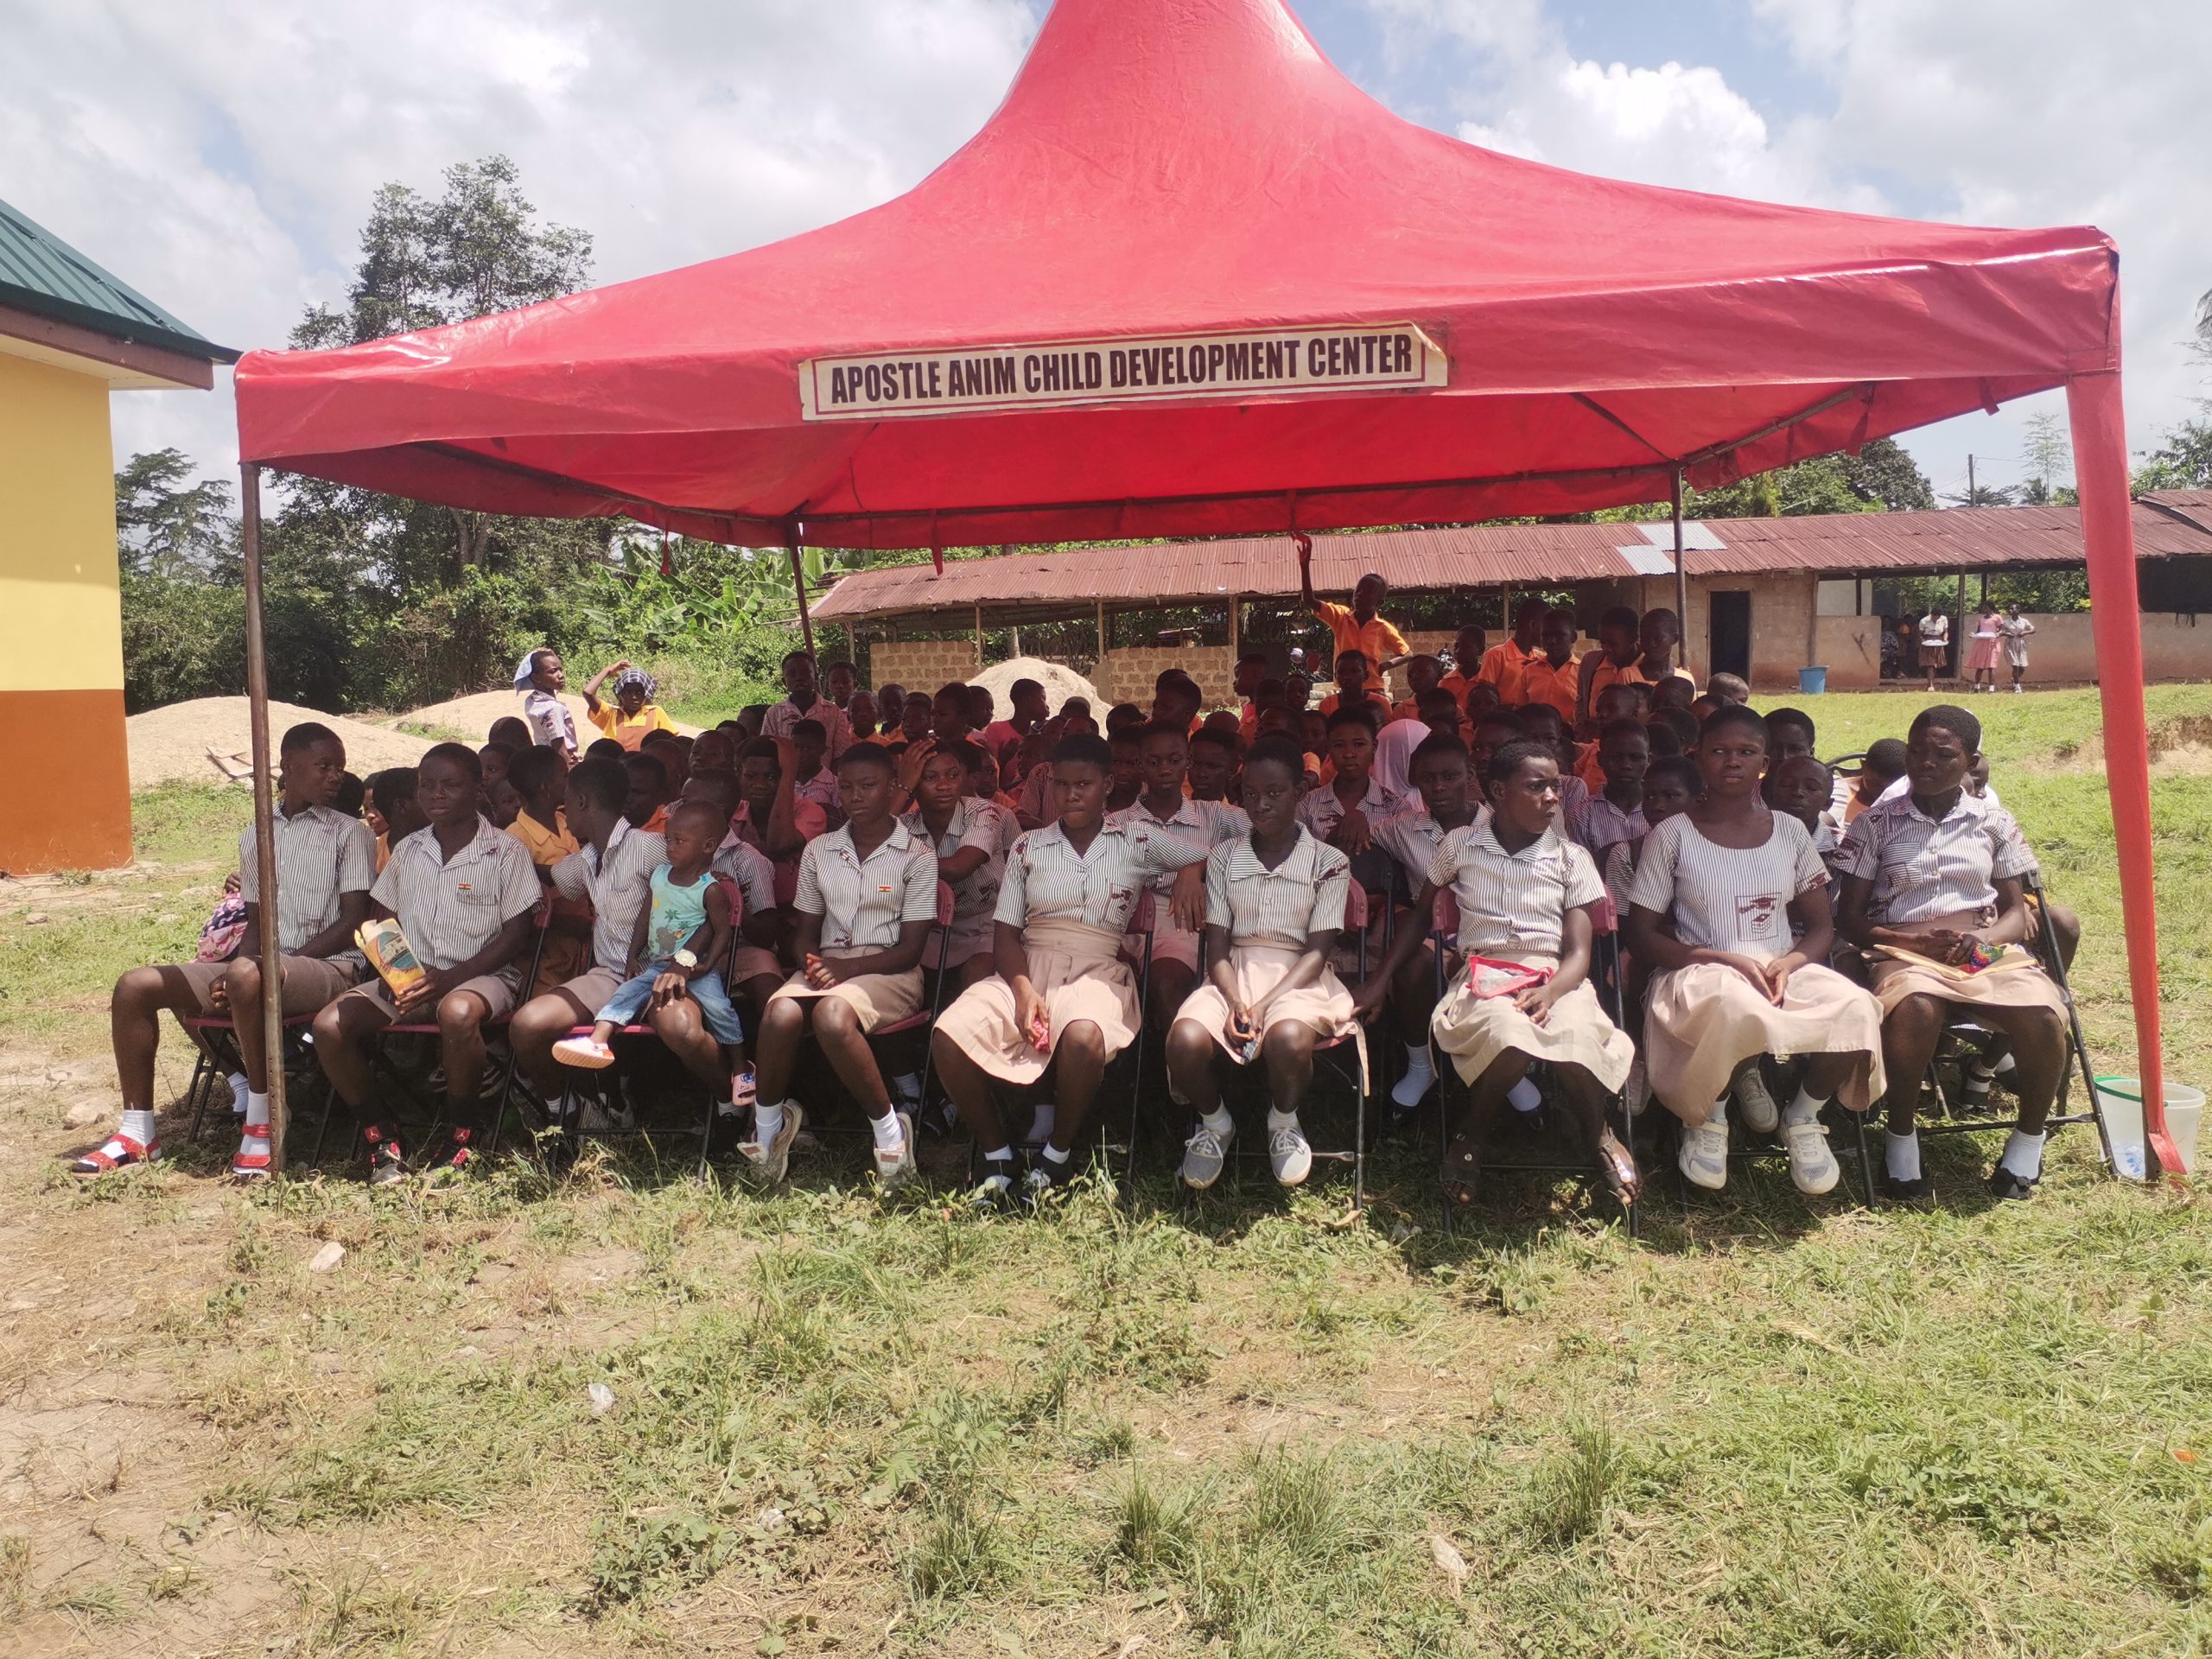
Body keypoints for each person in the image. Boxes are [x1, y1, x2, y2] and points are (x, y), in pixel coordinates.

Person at [76, 724, 376, 1179]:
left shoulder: (351, 833)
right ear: (287, 766)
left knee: (246, 975)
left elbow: (353, 922)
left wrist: (263, 965)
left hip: (331, 968)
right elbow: (256, 923)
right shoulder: (256, 834)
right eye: (324, 766)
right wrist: (240, 965)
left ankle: (264, 1113)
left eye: (340, 767)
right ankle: (138, 1132)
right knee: (136, 985)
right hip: (261, 967)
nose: (335, 776)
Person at [1360, 737, 1642, 1209]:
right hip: (1483, 973)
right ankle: (1473, 1132)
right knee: (1508, 1032)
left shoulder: (1571, 858)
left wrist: (1552, 992)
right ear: (1497, 791)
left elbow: (1578, 953)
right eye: (1536, 787)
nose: (1551, 797)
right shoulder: (1461, 845)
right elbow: (1421, 915)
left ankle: (1598, 1133)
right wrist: (1380, 980)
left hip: (1555, 977)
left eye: (1555, 787)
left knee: (1575, 1032)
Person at [931, 734, 1210, 1206]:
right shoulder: (1029, 846)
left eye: (1084, 784)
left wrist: (1189, 871)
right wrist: (1023, 991)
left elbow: (1201, 851)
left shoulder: (1135, 838)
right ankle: (998, 1154)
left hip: (1097, 968)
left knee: (1082, 1035)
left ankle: (1056, 1155)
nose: (1072, 794)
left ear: (1108, 785)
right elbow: (1006, 934)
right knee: (949, 1033)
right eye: (1061, 785)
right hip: (1027, 964)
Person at [1622, 707, 1885, 1195]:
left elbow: (1821, 928)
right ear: (1698, 757)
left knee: (1856, 1005)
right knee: (1735, 1005)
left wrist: (1790, 962)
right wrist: (1722, 959)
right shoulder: (1672, 834)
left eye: (1745, 752)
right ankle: (1711, 1114)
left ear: (1764, 762)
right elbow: (1642, 935)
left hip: (1780, 964)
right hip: (1701, 969)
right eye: (1719, 751)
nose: (1732, 761)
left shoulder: (1789, 831)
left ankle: (1803, 1116)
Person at [1838, 705, 2072, 1202]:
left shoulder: (1992, 821)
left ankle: (2027, 1141)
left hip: (1979, 948)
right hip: (1903, 948)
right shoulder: (1876, 824)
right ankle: (1901, 1137)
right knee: (1917, 1006)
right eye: (1916, 752)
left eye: (1943, 755)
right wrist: (1909, 942)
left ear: (1970, 761)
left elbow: (2016, 911)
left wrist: (1985, 942)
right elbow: (1849, 920)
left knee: (2042, 1012)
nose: (1925, 763)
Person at [310, 744, 543, 1183]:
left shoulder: (505, 851)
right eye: (427, 785)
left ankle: (462, 1133)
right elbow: (383, 920)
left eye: (450, 784)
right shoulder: (409, 850)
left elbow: (516, 935)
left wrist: (450, 979)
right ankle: (381, 1135)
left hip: (482, 976)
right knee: (329, 1027)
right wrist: (393, 972)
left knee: (457, 1012)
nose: (437, 794)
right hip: (411, 978)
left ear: (477, 789)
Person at [1163, 737, 1359, 1188]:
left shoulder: (1329, 862)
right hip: (1234, 973)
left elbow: (1316, 953)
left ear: (1299, 792)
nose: (1261, 804)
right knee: (1183, 1040)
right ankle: (1216, 1123)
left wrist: (1264, 1006)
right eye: (1251, 794)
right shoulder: (1225, 857)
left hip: (1299, 977)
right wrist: (1236, 1002)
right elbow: (1217, 951)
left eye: (1274, 793)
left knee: (1287, 1038)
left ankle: (1283, 1121)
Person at [747, 743, 939, 1187]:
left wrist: (844, 971)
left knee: (833, 1016)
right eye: (847, 787)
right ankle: (768, 1132)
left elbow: (911, 950)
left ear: (891, 788)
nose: (856, 796)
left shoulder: (916, 855)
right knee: (778, 1013)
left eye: (868, 786)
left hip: (890, 970)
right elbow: (805, 931)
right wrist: (812, 963)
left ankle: (891, 1135)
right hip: (830, 964)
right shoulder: (821, 851)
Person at [550, 800, 745, 1095]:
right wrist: (632, 955)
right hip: (657, 964)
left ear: (707, 846)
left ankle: (740, 1067)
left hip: (697, 968)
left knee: (721, 1008)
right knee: (626, 992)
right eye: (668, 839)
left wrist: (706, 964)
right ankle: (598, 1041)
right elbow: (644, 918)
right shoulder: (659, 876)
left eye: (679, 841)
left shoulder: (710, 889)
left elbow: (721, 932)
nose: (670, 847)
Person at [506, 756, 670, 1105]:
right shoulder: (586, 859)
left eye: (566, 800)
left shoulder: (648, 847)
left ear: (582, 802)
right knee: (526, 1026)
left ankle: (732, 1104)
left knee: (680, 1028)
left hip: (660, 974)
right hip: (610, 975)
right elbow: (553, 877)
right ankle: (567, 1110)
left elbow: (695, 893)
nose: (562, 810)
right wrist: (508, 860)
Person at [1368, 730, 1484, 1116]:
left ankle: (1503, 1067)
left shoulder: (1498, 826)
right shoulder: (1403, 828)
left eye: (1450, 776)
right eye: (1428, 779)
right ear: (1415, 781)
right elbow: (1359, 842)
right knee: (1411, 964)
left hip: (1491, 937)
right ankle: (1421, 1064)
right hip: (1433, 936)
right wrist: (1353, 820)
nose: (1439, 787)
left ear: (1469, 775)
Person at [1111, 722, 1247, 1032]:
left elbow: (1271, 840)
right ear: (1140, 764)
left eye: (1174, 760)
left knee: (1166, 981)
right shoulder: (1117, 822)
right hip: (1124, 917)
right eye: (1154, 761)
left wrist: (1197, 867)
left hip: (1183, 918)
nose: (1165, 770)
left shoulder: (1216, 815)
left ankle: (1187, 1053)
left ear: (1188, 761)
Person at [902, 740, 1015, 986]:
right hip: (924, 931)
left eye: (953, 776)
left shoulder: (983, 812)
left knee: (977, 981)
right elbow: (870, 846)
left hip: (983, 928)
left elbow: (958, 867)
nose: (945, 785)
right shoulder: (905, 824)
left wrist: (897, 866)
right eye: (930, 777)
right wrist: (903, 787)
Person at [503, 746, 590, 996]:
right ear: (544, 787)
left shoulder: (565, 821)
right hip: (544, 948)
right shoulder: (516, 837)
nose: (570, 782)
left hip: (578, 943)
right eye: (564, 776)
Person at [1300, 707, 1406, 861]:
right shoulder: (1307, 804)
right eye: (1339, 745)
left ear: (1374, 746)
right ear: (1328, 747)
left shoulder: (1395, 807)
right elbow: (1297, 862)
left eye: (1359, 745)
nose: (1349, 754)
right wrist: (1336, 835)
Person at [1298, 542, 1408, 677]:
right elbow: (1309, 600)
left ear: (1379, 603)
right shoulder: (1340, 616)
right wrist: (1304, 566)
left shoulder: (1383, 628)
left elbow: (1407, 654)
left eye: (1368, 592)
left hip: (1372, 686)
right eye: (1358, 589)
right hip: (1346, 684)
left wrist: (1385, 666)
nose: (1359, 594)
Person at [1570, 718, 1650, 870]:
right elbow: (1579, 871)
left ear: (1649, 760)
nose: (1626, 765)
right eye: (1616, 757)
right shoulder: (1582, 815)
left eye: (1635, 758)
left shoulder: (1661, 809)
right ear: (1600, 760)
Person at [762, 650, 855, 760]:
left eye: (805, 672)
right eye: (792, 674)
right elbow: (766, 752)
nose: (799, 678)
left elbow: (841, 755)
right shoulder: (774, 714)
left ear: (815, 677)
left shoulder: (833, 713)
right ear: (784, 682)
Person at [582, 662, 677, 751]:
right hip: (616, 763)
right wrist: (608, 670)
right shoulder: (610, 715)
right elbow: (588, 693)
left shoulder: (655, 713)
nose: (634, 697)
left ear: (646, 695)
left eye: (639, 692)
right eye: (629, 692)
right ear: (620, 694)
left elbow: (671, 744)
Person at [1575, 607, 1644, 727]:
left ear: (1633, 638)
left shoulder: (1647, 667)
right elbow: (1581, 702)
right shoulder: (1590, 662)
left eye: (1613, 644)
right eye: (1602, 643)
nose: (1606, 648)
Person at [1478, 599, 1549, 705]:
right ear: (1533, 625)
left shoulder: (1542, 658)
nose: (1549, 633)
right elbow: (1486, 700)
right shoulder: (1496, 655)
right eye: (1546, 626)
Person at [1518, 608, 1582, 722]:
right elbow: (1521, 710)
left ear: (1573, 637)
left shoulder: (1582, 673)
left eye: (1559, 635)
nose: (1551, 641)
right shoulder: (1529, 671)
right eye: (1546, 635)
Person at [515, 649, 579, 762]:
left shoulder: (532, 700)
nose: (561, 675)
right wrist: (570, 768)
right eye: (553, 671)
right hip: (562, 761)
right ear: (536, 678)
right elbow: (560, 750)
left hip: (544, 759)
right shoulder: (552, 708)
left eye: (560, 670)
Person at [366, 767, 425, 873]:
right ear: (401, 806)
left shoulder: (444, 846)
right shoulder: (372, 854)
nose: (433, 801)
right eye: (423, 797)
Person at [1843, 738, 1907, 825]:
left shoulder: (1909, 799)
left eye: (1893, 788)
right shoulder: (1840, 794)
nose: (1884, 794)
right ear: (1864, 766)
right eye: (1878, 786)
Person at [789, 719, 840, 819]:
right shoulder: (785, 783)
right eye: (795, 748)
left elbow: (843, 821)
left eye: (807, 749)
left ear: (823, 750)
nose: (800, 755)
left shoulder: (834, 785)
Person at [1438, 625, 1489, 704]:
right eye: (1456, 646)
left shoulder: (1488, 680)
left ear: (1481, 650)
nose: (1458, 651)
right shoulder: (1446, 682)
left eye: (1466, 647)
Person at [1187, 728, 1240, 803]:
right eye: (1194, 764)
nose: (1201, 774)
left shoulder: (1240, 811)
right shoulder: (1172, 808)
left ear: (1231, 769)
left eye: (1212, 766)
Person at [1964, 600, 2003, 693]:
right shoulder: (1981, 619)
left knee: (1991, 666)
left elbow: (2002, 630)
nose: (1983, 609)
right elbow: (1978, 632)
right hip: (1981, 643)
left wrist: (1998, 634)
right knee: (1980, 666)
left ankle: (1991, 689)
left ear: (1990, 607)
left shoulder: (1997, 617)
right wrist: (1973, 634)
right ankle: (1976, 687)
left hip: (1992, 643)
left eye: (1985, 607)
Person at [1233, 652, 1270, 741]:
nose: (1234, 682)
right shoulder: (1247, 706)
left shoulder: (1267, 712)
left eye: (1237, 675)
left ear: (1257, 675)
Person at [1999, 603, 2036, 692]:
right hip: (2010, 645)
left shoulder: (2024, 621)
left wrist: (2025, 632)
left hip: (2021, 644)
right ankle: (2017, 686)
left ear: (2018, 610)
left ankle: (2014, 679)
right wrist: (2006, 634)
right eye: (2010, 609)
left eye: (2012, 609)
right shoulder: (2006, 622)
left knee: (2022, 667)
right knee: (2015, 666)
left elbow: (2033, 630)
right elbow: (2000, 632)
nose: (2010, 610)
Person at [1917, 602, 1952, 691]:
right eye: (1934, 617)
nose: (1936, 619)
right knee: (1930, 664)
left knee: (1936, 664)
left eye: (1938, 617)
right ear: (1931, 614)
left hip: (1939, 643)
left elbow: (1946, 632)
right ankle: (1930, 685)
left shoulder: (1943, 619)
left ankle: (1931, 681)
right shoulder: (1924, 621)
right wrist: (1923, 641)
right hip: (1928, 643)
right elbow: (1920, 634)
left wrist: (1945, 639)